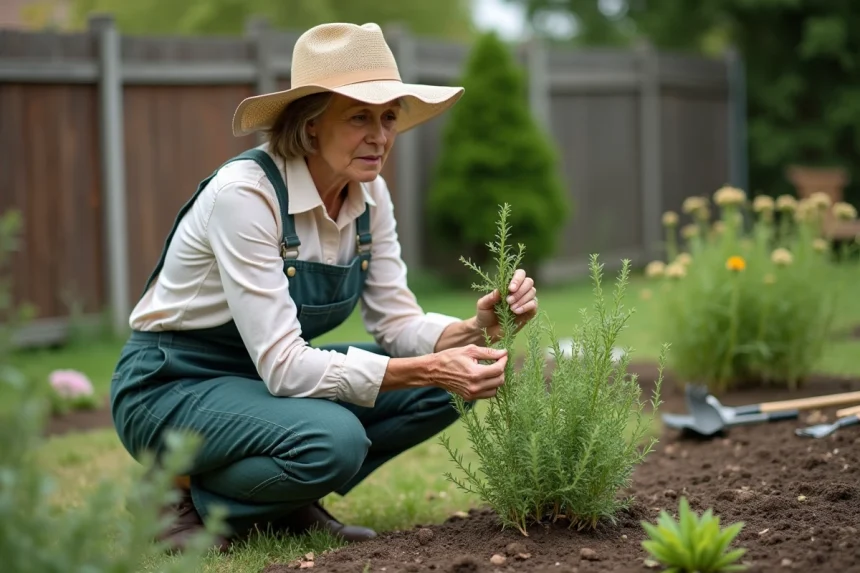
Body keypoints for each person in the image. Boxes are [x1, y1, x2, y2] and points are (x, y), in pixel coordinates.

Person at [109, 21, 539, 553]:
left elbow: (396, 322)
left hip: (260, 383)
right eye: (359, 116)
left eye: (388, 118)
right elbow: (286, 366)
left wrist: (474, 329)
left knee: (448, 388)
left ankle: (282, 501)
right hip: (171, 385)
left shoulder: (370, 196)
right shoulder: (246, 195)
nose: (380, 136)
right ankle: (174, 494)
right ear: (311, 126)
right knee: (333, 439)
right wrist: (426, 367)